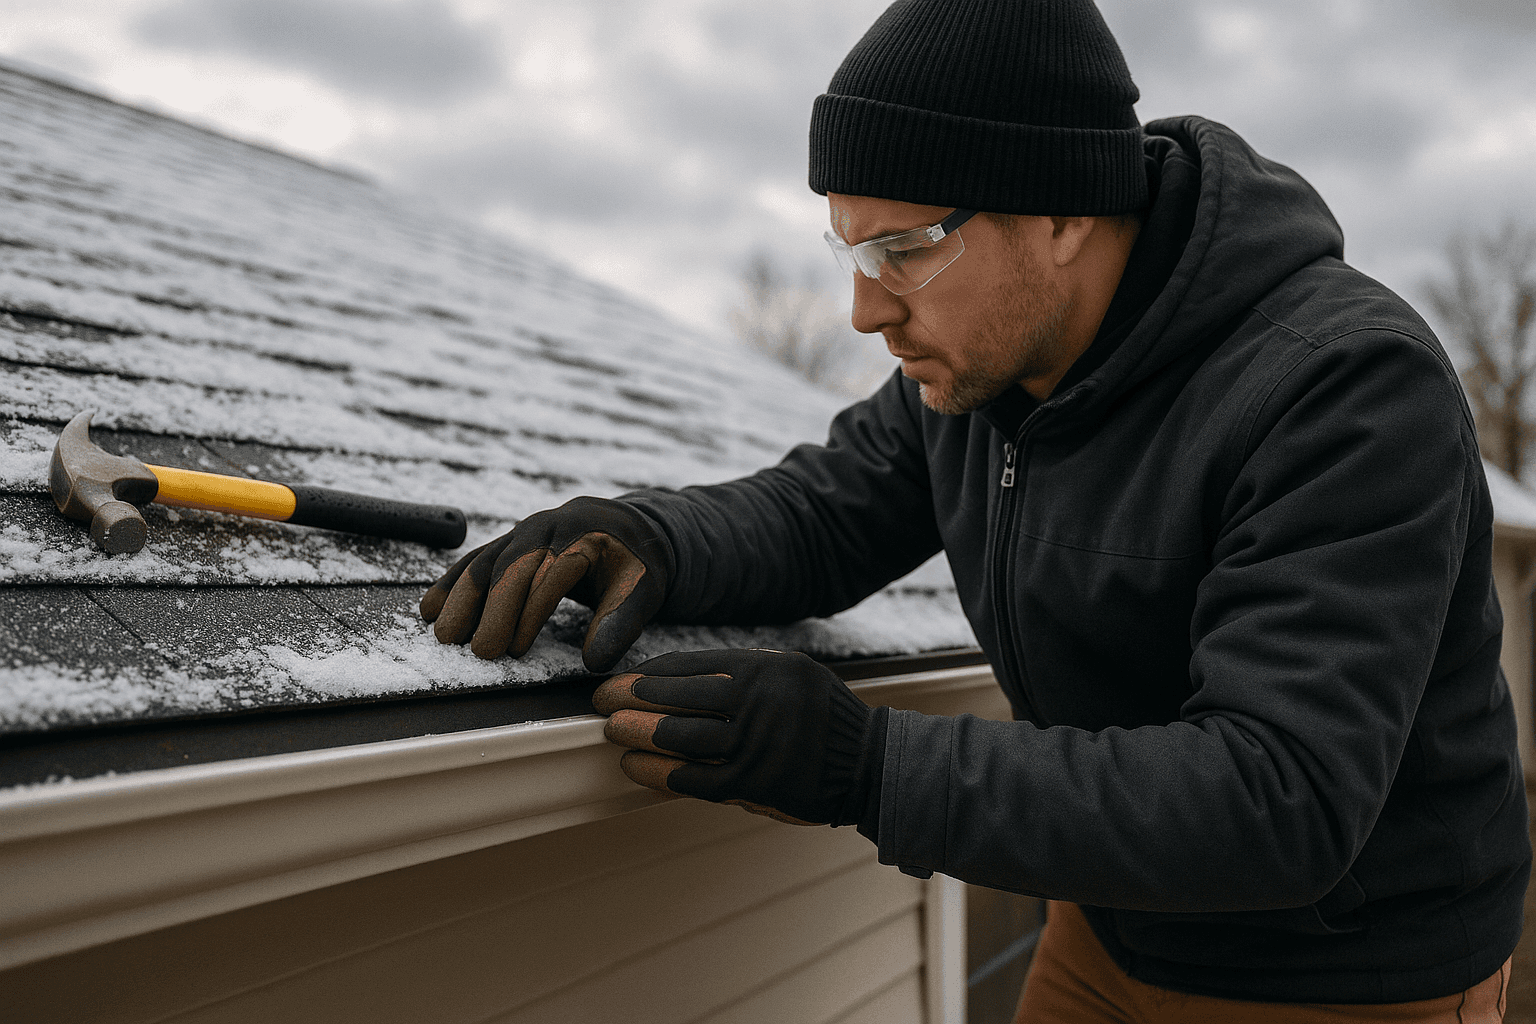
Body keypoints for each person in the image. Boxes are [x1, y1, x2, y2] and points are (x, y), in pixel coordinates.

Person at [420, 0, 1531, 1018]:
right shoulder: (980, 368)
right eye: (850, 248)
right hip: (1106, 936)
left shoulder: (1341, 388)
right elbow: (824, 513)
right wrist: (650, 536)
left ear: (1061, 213)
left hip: (1351, 980)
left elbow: (1280, 794)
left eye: (902, 250)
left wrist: (871, 768)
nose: (864, 308)